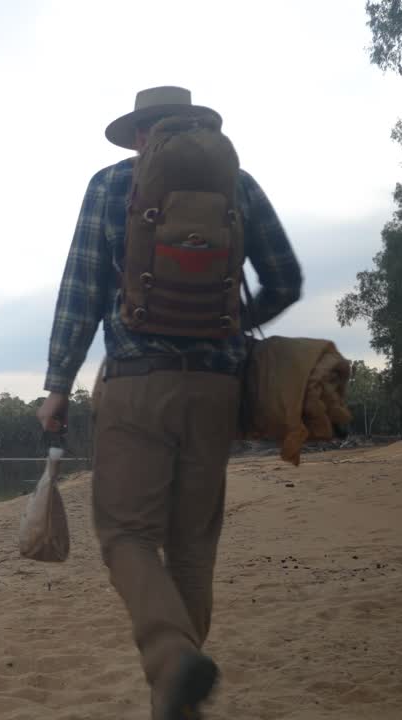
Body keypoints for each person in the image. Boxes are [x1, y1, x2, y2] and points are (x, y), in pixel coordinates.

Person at [36, 86, 303, 719]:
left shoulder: (109, 185)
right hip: (217, 390)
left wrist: (57, 385)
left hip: (136, 383)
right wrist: (235, 322)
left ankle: (170, 657)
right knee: (191, 543)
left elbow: (81, 289)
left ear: (139, 136)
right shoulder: (240, 186)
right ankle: (175, 702)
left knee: (125, 532)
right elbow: (285, 279)